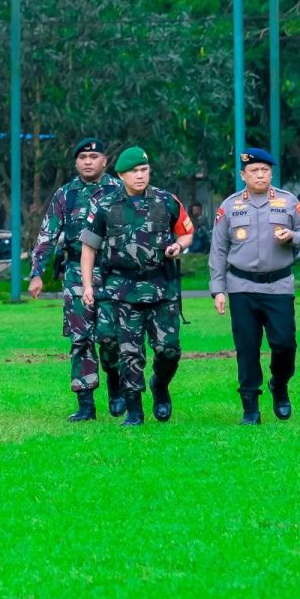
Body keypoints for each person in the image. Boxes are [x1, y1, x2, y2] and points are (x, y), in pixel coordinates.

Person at [79, 146, 193, 426]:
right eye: (134, 171)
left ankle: (160, 386)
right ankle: (135, 411)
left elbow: (186, 232)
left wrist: (178, 246)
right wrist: (87, 286)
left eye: (144, 170)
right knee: (129, 352)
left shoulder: (166, 200)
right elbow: (88, 248)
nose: (140, 176)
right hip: (123, 288)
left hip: (161, 288)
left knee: (169, 350)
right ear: (121, 175)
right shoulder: (106, 205)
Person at [209, 148, 300, 424]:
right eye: (254, 170)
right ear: (243, 175)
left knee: (284, 344)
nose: (260, 174)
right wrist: (218, 289)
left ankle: (279, 385)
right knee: (247, 347)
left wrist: (292, 236)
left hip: (278, 285)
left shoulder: (288, 202)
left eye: (265, 170)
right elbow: (218, 250)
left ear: (271, 173)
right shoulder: (229, 206)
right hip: (241, 286)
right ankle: (250, 408)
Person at [28, 137, 123, 421]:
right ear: (76, 162)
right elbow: (47, 235)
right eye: (82, 157)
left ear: (104, 161)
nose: (88, 161)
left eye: (93, 157)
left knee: (109, 338)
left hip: (111, 274)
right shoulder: (65, 195)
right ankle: (86, 404)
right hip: (74, 275)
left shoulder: (119, 191)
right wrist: (37, 273)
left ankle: (116, 386)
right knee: (80, 338)